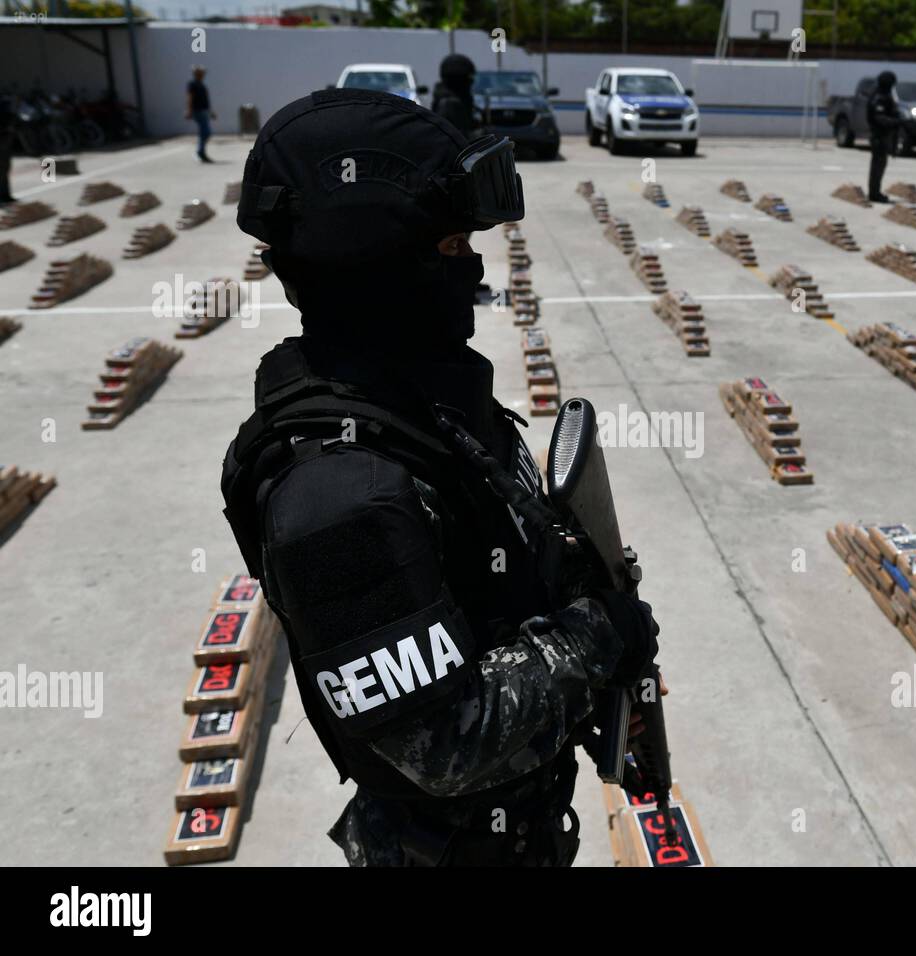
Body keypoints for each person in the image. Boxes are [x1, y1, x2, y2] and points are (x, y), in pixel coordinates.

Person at [220, 88, 660, 866]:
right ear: (380, 268)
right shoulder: (337, 501)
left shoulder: (416, 405)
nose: (474, 269)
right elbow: (446, 742)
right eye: (453, 249)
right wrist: (602, 634)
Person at [866, 70, 902, 203]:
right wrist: (895, 121)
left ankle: (875, 192)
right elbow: (879, 118)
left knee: (880, 165)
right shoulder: (879, 97)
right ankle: (874, 193)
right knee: (877, 166)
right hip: (878, 136)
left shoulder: (883, 95)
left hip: (882, 136)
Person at [432, 53, 478, 137]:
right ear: (459, 80)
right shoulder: (450, 104)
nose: (471, 81)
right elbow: (459, 136)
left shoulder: (459, 100)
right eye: (468, 77)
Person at [185, 65, 215, 163]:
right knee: (205, 132)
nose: (203, 75)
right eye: (201, 73)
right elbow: (190, 97)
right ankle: (200, 151)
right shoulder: (192, 84)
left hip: (204, 111)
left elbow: (207, 100)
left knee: (205, 132)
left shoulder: (202, 85)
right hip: (198, 111)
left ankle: (201, 151)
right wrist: (189, 110)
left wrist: (211, 112)